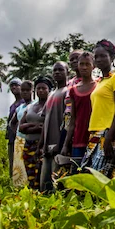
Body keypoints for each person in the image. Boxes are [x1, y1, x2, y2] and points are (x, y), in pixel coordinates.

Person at [81, 40, 115, 178]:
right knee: (88, 178)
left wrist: (109, 137)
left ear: (112, 58)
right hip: (95, 133)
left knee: (102, 180)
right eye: (96, 57)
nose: (99, 59)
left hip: (109, 134)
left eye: (103, 56)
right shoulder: (100, 81)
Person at [62, 52, 96, 172]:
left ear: (94, 66)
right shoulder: (73, 91)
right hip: (78, 138)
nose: (84, 67)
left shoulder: (99, 86)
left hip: (94, 138)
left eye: (88, 64)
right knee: (77, 175)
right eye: (81, 64)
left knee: (92, 176)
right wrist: (66, 144)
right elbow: (73, 119)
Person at [17, 76, 53, 190]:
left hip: (42, 145)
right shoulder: (30, 106)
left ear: (49, 90)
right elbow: (21, 127)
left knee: (40, 173)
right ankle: (33, 197)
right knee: (30, 173)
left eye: (44, 88)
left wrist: (30, 126)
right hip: (28, 144)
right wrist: (35, 126)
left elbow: (47, 128)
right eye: (38, 88)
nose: (41, 91)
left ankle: (41, 197)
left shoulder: (51, 105)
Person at [39, 62, 69, 191]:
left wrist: (61, 144)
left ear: (67, 72)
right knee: (44, 185)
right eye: (55, 70)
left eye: (60, 70)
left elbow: (67, 121)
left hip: (59, 146)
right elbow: (45, 121)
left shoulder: (67, 91)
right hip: (47, 148)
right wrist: (41, 144)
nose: (57, 72)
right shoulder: (51, 94)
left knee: (58, 186)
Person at [7, 78, 32, 178]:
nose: (14, 87)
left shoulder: (26, 104)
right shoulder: (14, 106)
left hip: (24, 139)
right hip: (13, 138)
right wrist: (15, 131)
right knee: (13, 162)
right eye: (12, 85)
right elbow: (11, 123)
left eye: (16, 85)